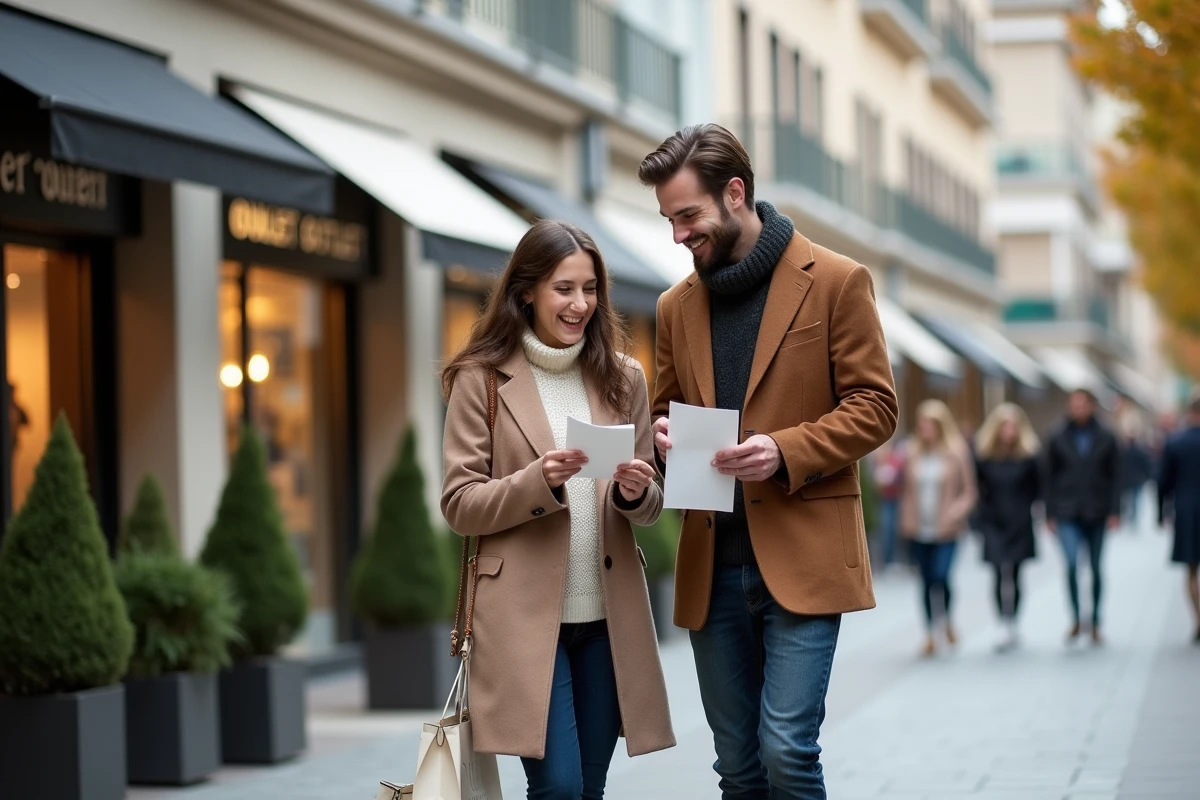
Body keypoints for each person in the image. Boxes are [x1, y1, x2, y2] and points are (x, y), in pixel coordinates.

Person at [640, 123, 898, 798]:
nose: (678, 236)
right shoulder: (674, 307)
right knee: (739, 768)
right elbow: (666, 409)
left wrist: (784, 450)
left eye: (688, 216)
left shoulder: (838, 280)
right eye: (668, 220)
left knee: (786, 750)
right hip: (712, 567)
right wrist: (662, 439)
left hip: (805, 555)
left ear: (735, 193)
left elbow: (876, 406)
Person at [441, 219, 675, 799]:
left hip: (606, 620)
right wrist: (535, 482)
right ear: (527, 291)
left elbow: (649, 506)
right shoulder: (481, 379)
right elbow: (459, 504)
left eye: (590, 289)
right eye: (563, 289)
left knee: (587, 789)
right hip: (521, 622)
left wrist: (633, 490)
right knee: (561, 789)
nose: (580, 304)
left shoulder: (625, 378)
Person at [898, 399, 977, 657]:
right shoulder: (911, 451)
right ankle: (931, 633)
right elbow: (903, 490)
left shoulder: (956, 451)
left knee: (941, 576)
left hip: (947, 529)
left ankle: (947, 620)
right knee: (925, 580)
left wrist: (956, 511)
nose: (925, 429)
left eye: (930, 424)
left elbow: (969, 491)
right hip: (919, 529)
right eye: (922, 424)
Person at [1042, 388, 1120, 645]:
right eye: (1073, 405)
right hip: (1067, 512)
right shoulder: (1057, 436)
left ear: (1092, 406)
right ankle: (1076, 617)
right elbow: (1048, 477)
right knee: (1072, 564)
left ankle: (1096, 620)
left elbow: (1116, 477)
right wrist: (1049, 513)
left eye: (1081, 404)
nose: (1076, 409)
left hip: (1097, 511)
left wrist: (1115, 511)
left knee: (1096, 568)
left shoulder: (1107, 436)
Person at [973, 403, 1041, 652]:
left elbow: (1037, 487)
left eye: (1013, 426)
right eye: (1005, 426)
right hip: (993, 521)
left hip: (1020, 521)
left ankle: (1013, 621)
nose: (1009, 431)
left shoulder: (1029, 456)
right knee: (997, 572)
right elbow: (978, 488)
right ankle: (1002, 620)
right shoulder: (984, 456)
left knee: (1015, 573)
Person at [1156, 392, 1200, 643]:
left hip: (1187, 512)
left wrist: (1160, 511)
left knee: (1191, 570)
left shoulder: (1176, 442)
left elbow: (1164, 482)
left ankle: (1198, 617)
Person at [870, 437, 906, 569]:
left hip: (893, 499)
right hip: (880, 501)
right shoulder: (874, 462)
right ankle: (884, 559)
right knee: (883, 530)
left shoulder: (895, 461)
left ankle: (891, 559)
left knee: (891, 529)